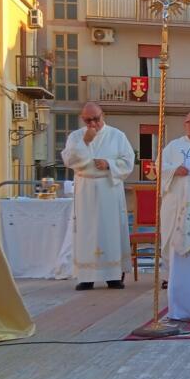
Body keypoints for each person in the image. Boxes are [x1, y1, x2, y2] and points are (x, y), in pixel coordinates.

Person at [61, 103, 136, 290]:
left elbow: (128, 161)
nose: (93, 123)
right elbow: (69, 160)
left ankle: (114, 275)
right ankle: (86, 276)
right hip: (85, 188)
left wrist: (109, 163)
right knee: (87, 232)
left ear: (104, 115)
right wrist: (84, 142)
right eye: (88, 120)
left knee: (111, 230)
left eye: (96, 118)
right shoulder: (76, 136)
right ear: (82, 119)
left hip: (109, 188)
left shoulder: (117, 136)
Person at [159, 112, 190, 287]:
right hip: (175, 199)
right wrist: (174, 170)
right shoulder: (174, 146)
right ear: (185, 125)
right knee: (170, 233)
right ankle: (169, 275)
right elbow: (160, 166)